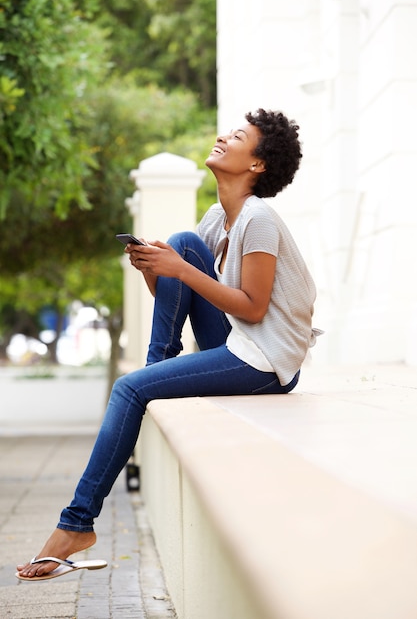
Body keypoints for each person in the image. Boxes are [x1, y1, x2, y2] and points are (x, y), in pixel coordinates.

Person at [17, 107, 319, 581]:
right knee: (180, 243)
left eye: (237, 136)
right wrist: (155, 270)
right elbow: (179, 292)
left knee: (129, 388)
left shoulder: (258, 219)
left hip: (267, 360)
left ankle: (76, 525)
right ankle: (157, 370)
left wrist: (179, 269)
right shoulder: (218, 217)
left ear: (257, 164)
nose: (223, 137)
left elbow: (254, 308)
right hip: (239, 342)